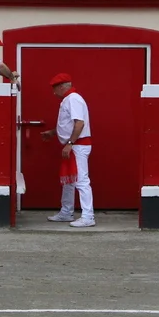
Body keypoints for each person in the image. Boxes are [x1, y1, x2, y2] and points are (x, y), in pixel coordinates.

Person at [41, 73, 94, 228]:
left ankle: (88, 216)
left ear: (62, 87)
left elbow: (79, 123)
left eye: (55, 88)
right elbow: (69, 124)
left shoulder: (73, 99)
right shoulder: (70, 99)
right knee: (70, 180)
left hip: (77, 145)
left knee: (81, 180)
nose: (53, 92)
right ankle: (66, 211)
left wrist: (70, 143)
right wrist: (53, 133)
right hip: (75, 145)